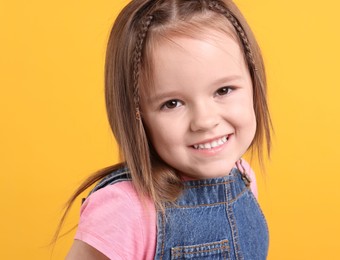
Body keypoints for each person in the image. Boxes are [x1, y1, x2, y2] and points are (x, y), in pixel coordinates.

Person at [62, 0, 272, 259]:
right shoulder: (124, 210)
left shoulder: (242, 177)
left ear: (254, 81)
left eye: (223, 90)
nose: (204, 121)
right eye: (172, 103)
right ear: (136, 114)